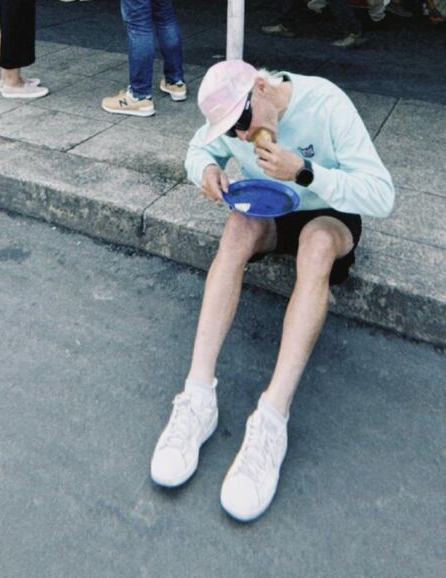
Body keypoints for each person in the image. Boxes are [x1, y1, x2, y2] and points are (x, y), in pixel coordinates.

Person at [151, 60, 395, 522]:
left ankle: (271, 419)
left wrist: (304, 172)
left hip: (328, 210)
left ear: (260, 87)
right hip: (269, 207)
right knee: (237, 227)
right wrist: (204, 172)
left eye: (244, 122)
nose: (242, 137)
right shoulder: (234, 119)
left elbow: (381, 195)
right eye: (232, 131)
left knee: (317, 246)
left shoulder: (326, 103)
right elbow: (195, 151)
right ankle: (198, 396)